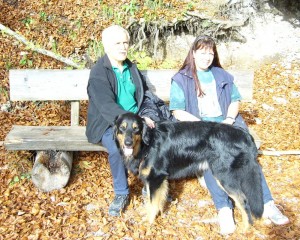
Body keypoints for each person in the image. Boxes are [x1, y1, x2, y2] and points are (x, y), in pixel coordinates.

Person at [169, 35, 289, 235]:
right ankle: (223, 208)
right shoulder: (182, 78)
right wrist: (204, 126)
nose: (207, 57)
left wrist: (229, 121)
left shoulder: (222, 75)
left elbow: (234, 101)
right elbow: (177, 111)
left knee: (245, 157)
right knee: (209, 157)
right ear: (194, 53)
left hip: (227, 123)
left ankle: (266, 203)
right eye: (202, 52)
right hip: (200, 127)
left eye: (210, 52)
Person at [86, 25, 156, 217]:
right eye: (117, 43)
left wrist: (148, 115)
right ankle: (122, 193)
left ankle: (148, 184)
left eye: (125, 42)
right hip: (108, 123)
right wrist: (135, 121)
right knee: (119, 147)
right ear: (106, 45)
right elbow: (106, 106)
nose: (123, 47)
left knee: (154, 139)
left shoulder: (131, 67)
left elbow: (145, 95)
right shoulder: (99, 72)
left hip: (136, 120)